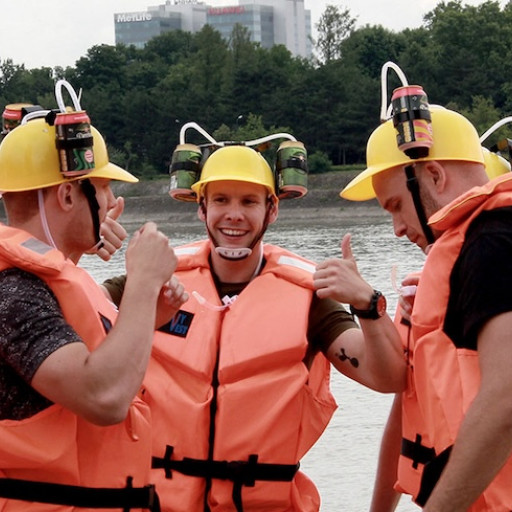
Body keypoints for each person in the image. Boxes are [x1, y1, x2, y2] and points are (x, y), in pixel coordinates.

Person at [103, 142, 406, 511]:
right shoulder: (151, 278)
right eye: (221, 201)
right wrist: (85, 245)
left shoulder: (308, 295)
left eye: (249, 201)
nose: (234, 215)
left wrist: (366, 303)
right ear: (202, 208)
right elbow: (68, 315)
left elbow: (386, 377)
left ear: (272, 209)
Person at [0, 114, 183, 510]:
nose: (111, 203)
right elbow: (104, 398)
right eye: (101, 188)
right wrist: (142, 283)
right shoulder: (13, 293)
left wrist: (146, 313)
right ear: (68, 196)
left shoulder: (39, 284)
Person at [339, 105, 512, 511]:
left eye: (396, 205)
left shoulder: (491, 246)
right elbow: (408, 406)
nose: (397, 228)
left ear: (433, 175)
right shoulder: (475, 248)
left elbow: (505, 398)